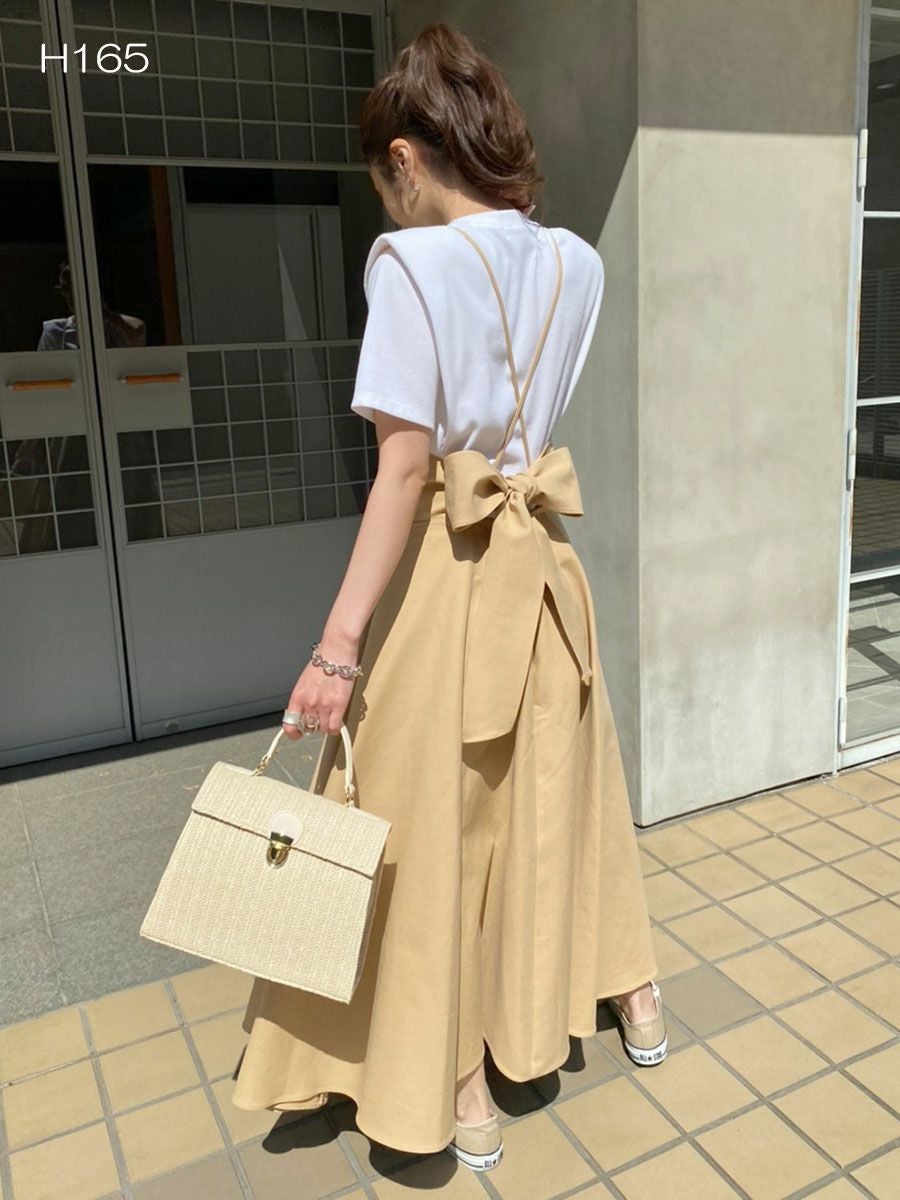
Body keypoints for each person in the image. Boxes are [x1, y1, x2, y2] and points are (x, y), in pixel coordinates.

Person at [231, 21, 666, 1172]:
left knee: (414, 823)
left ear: (407, 160)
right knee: (551, 801)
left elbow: (405, 469)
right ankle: (626, 995)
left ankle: (458, 1081)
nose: (392, 205)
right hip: (546, 573)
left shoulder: (409, 266)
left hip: (446, 581)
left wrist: (337, 646)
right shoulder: (577, 263)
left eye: (388, 183)